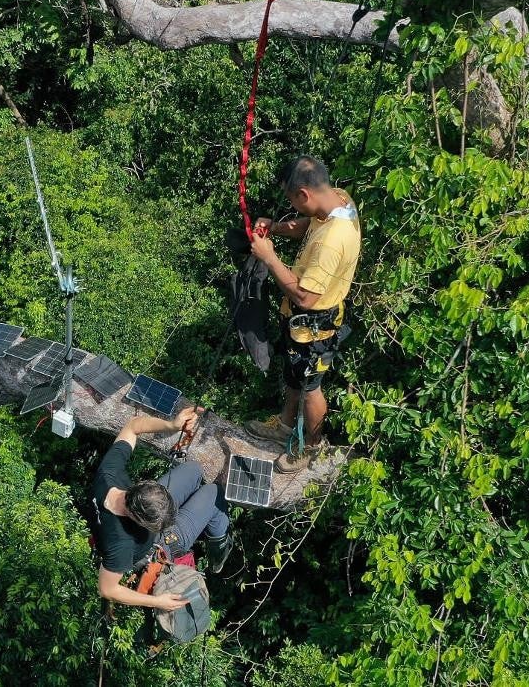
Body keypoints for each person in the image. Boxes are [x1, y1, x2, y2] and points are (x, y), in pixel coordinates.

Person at [245, 155, 361, 473]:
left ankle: (311, 447)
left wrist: (269, 258)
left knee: (310, 388)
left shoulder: (333, 241)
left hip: (315, 326)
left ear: (304, 195)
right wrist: (278, 228)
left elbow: (305, 297)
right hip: (301, 326)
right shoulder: (338, 199)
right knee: (296, 377)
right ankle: (284, 425)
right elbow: (310, 223)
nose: (293, 207)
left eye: (292, 201)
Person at [92, 406, 233, 610]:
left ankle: (196, 518)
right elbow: (107, 589)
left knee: (193, 470)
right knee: (214, 493)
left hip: (149, 508)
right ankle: (218, 555)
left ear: (142, 486)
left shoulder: (108, 475)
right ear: (138, 520)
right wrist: (157, 602)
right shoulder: (120, 545)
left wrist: (171, 425)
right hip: (157, 546)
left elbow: (132, 426)